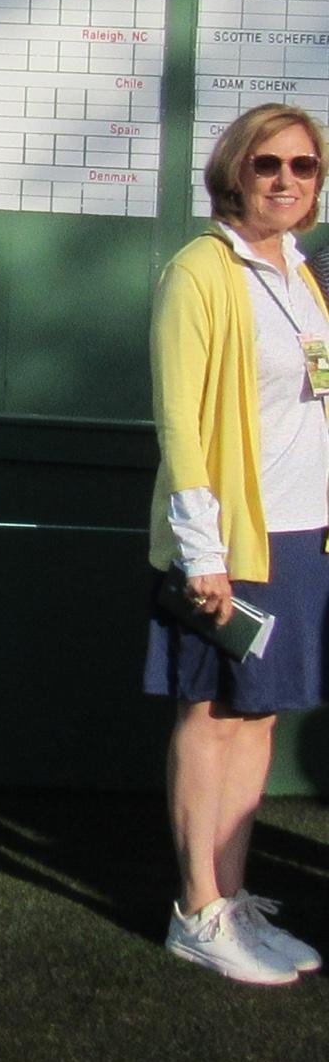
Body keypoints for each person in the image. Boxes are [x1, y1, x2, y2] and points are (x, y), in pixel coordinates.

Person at [146, 101, 329, 986]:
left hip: (300, 535)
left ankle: (232, 898)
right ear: (234, 172)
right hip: (228, 539)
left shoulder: (302, 272)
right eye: (268, 164)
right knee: (212, 716)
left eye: (303, 166)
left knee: (257, 719)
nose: (287, 180)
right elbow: (180, 419)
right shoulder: (199, 270)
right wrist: (203, 550)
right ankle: (196, 909)